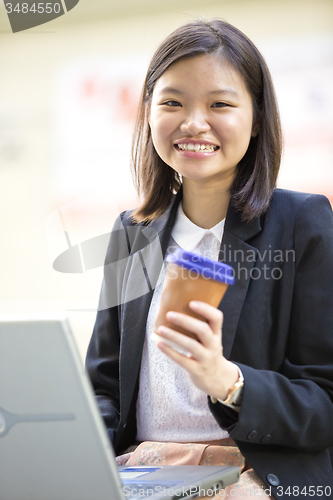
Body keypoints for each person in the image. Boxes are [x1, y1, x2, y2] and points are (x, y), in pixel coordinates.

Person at [86, 19, 333, 499]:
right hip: (141, 472)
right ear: (149, 114)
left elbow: (324, 404)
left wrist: (228, 381)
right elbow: (104, 388)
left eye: (219, 104)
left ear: (257, 118)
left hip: (251, 475)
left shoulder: (302, 221)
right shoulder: (132, 233)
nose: (194, 122)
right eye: (172, 102)